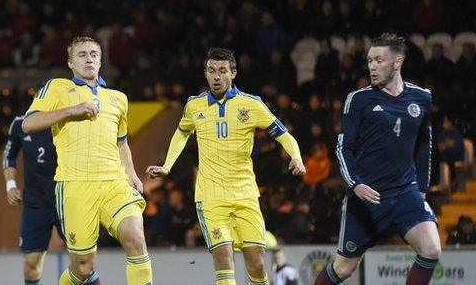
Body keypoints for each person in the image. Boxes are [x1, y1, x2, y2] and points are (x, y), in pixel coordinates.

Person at [147, 48, 306, 285]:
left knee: (256, 262)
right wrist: (167, 166)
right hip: (211, 196)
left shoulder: (251, 105)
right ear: (206, 73)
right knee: (223, 258)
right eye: (211, 71)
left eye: (222, 71)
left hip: (245, 194)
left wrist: (297, 157)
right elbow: (181, 135)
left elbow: (284, 135)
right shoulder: (194, 105)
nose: (217, 76)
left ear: (233, 72)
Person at [22, 36, 152, 285]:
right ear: (70, 62)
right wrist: (71, 111)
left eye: (93, 54)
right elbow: (29, 124)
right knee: (83, 269)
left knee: (135, 237)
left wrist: (132, 174)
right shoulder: (57, 87)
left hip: (114, 183)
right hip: (75, 186)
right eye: (81, 54)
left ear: (101, 61)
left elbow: (121, 142)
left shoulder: (118, 98)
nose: (88, 58)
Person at [314, 33, 440, 285]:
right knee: (344, 268)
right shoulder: (358, 100)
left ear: (397, 62)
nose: (372, 66)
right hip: (367, 198)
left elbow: (424, 146)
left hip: (405, 193)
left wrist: (422, 189)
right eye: (369, 60)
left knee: (431, 249)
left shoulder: (421, 98)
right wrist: (356, 184)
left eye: (379, 60)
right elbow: (343, 148)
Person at [3, 108, 61, 285]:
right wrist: (11, 186)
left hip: (67, 201)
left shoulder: (68, 120)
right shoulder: (20, 123)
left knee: (83, 263)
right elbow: (9, 156)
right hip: (36, 204)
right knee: (31, 264)